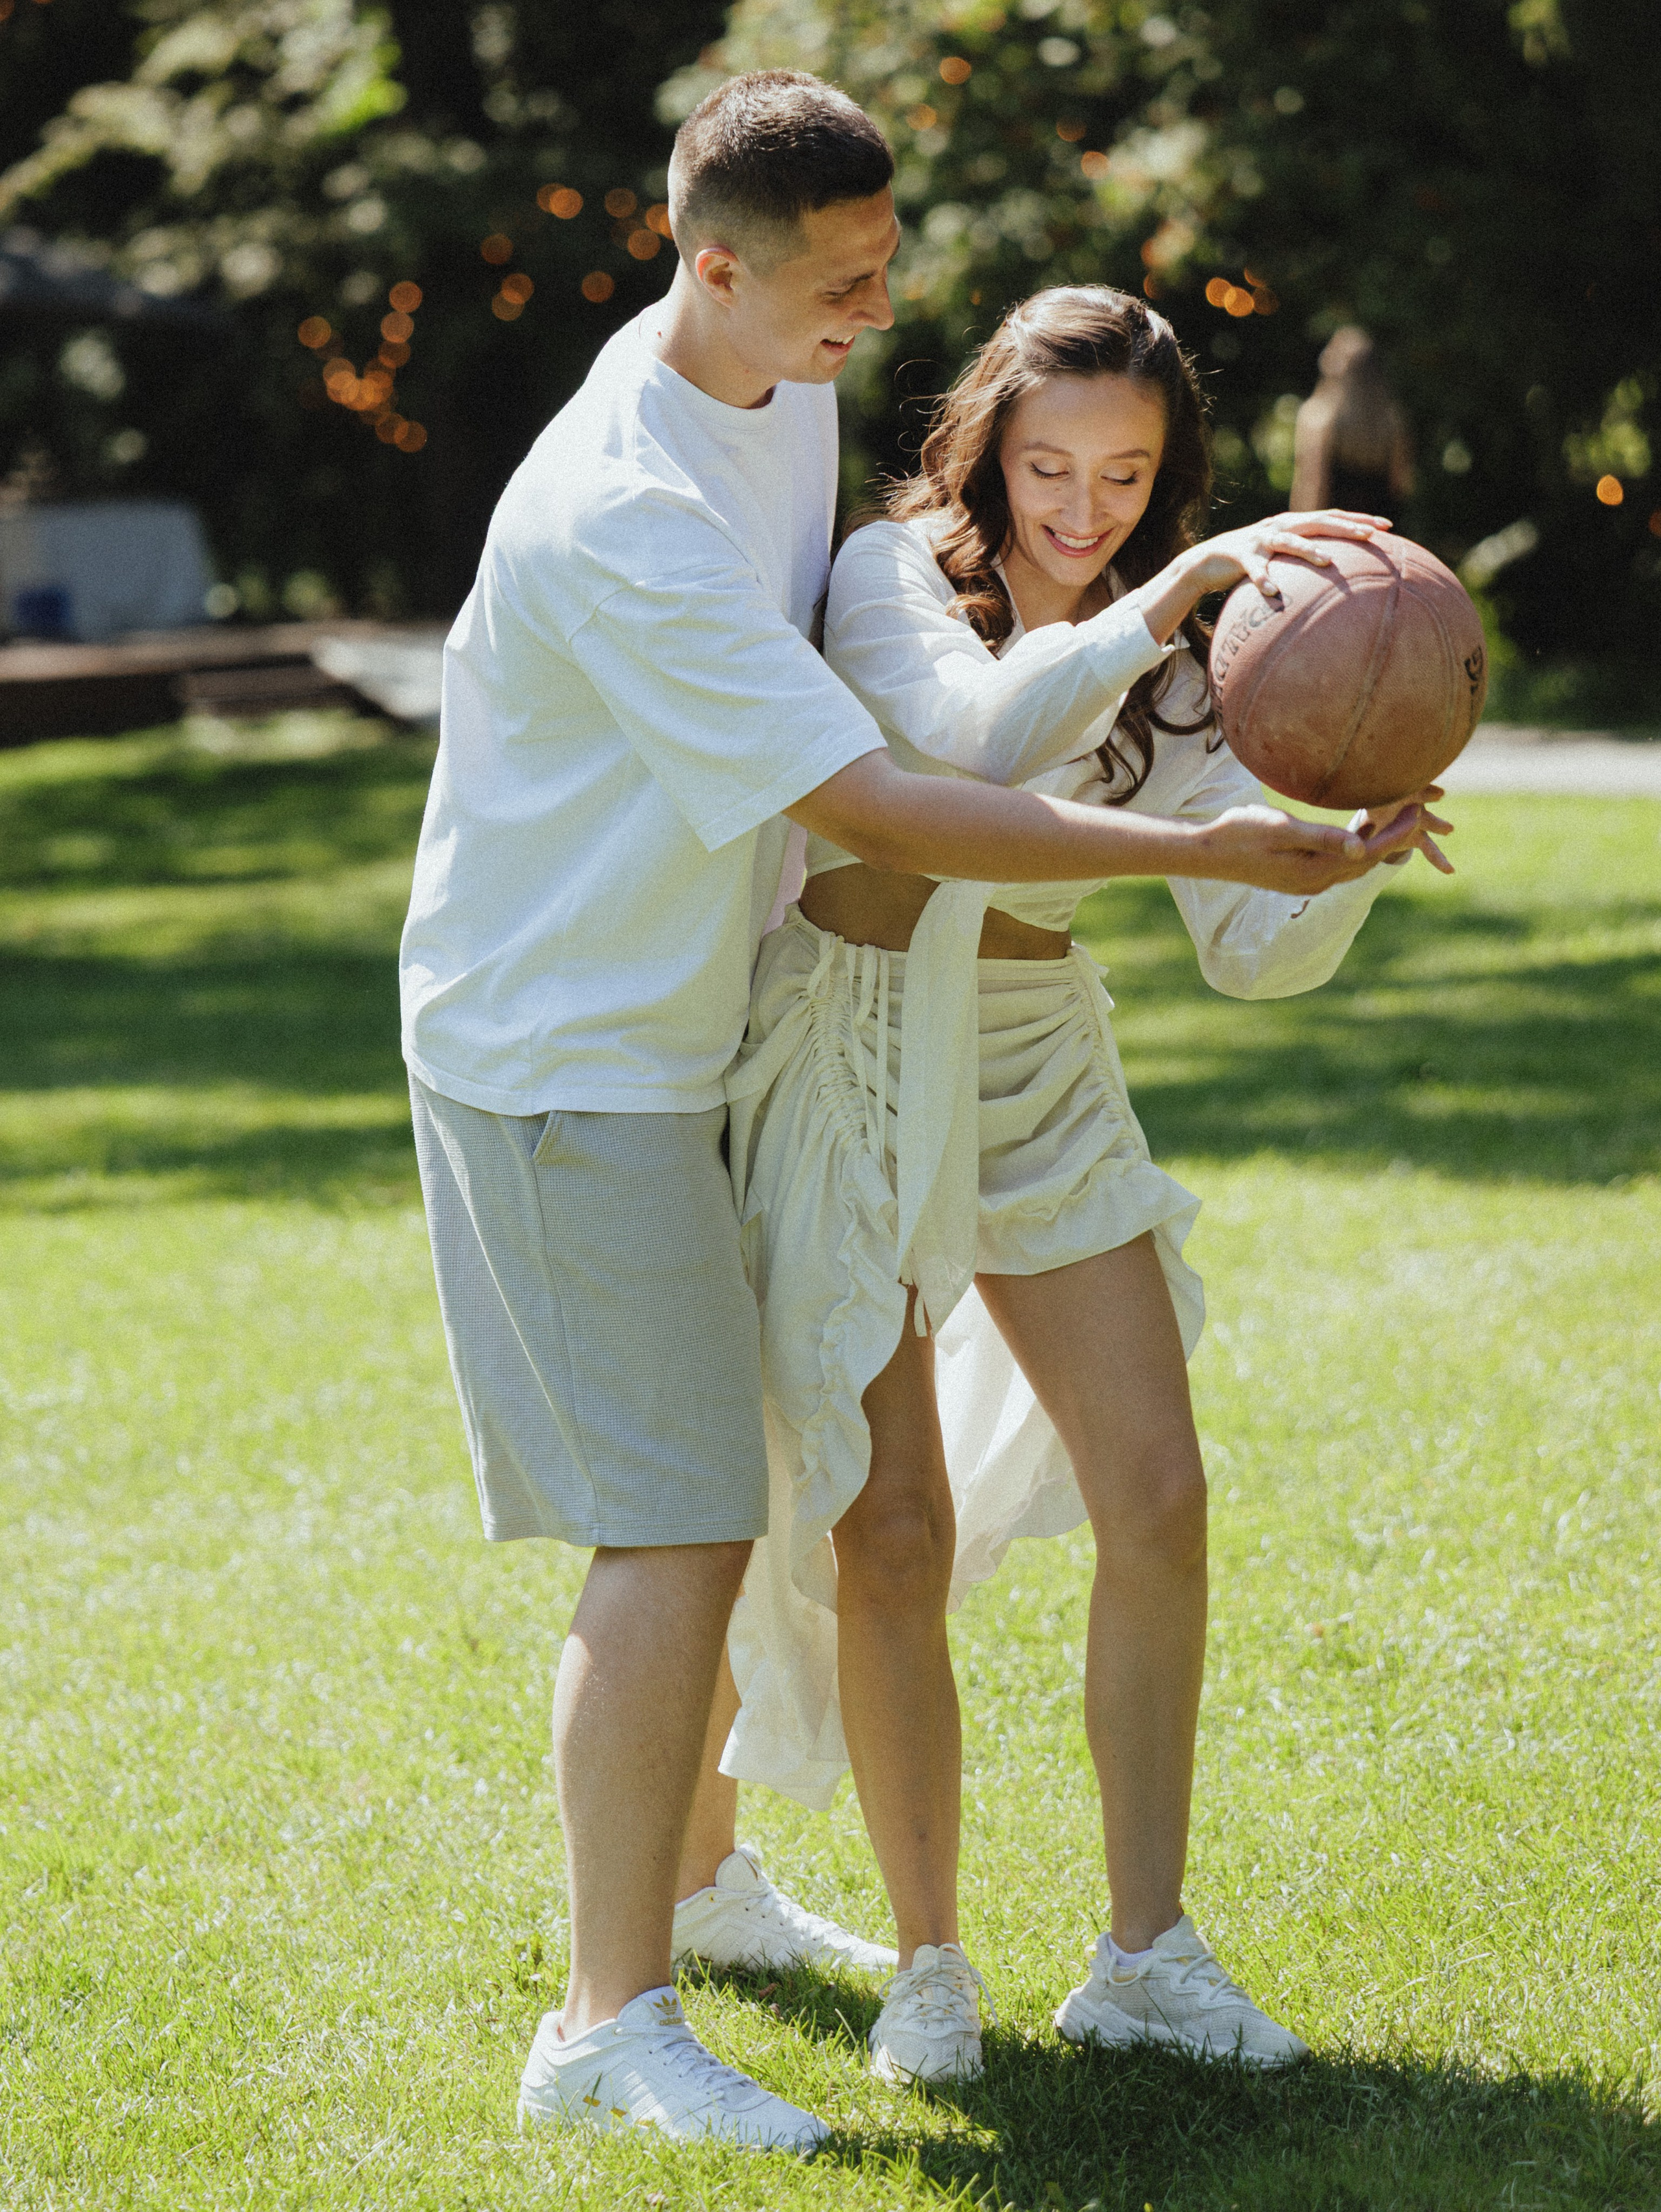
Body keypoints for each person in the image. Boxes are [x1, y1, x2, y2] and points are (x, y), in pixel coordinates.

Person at [401, 66, 1420, 2149]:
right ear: (715, 268)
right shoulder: (668, 518)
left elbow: (1242, 922)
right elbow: (901, 787)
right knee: (735, 1520)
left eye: (883, 271)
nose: (880, 312)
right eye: (847, 283)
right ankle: (631, 2010)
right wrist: (1188, 760)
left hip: (815, 1033)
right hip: (594, 1040)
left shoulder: (776, 386)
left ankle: (872, 1912)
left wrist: (1329, 824)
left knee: (811, 1496)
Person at [717, 285, 1452, 2087]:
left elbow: (1243, 951)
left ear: (1166, 469)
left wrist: (1351, 851)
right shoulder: (891, 576)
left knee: (1161, 1492)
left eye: (1125, 477)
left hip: (1040, 1064)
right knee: (885, 1522)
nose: (1082, 507)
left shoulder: (1205, 658)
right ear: (989, 447)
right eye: (1049, 467)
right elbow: (969, 742)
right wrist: (1169, 594)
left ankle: (1143, 1955)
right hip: (851, 1054)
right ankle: (929, 1964)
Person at [1289, 325, 1415, 523]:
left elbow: (1312, 484)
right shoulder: (1392, 419)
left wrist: (1301, 528)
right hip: (1380, 529)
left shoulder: (1319, 416)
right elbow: (1400, 484)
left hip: (1334, 530)